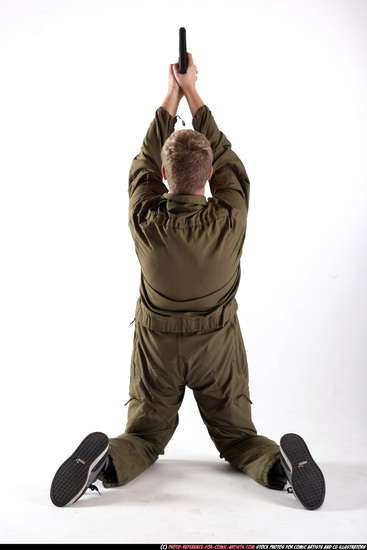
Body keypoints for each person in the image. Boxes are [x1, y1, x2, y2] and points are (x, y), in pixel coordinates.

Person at [50, 53, 326, 511]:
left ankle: (106, 464)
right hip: (217, 349)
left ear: (163, 177)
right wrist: (192, 89)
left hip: (157, 349)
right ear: (211, 176)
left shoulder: (145, 220)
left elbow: (142, 160)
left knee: (143, 436)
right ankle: (281, 470)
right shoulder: (230, 217)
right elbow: (229, 159)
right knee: (239, 439)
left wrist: (170, 97)